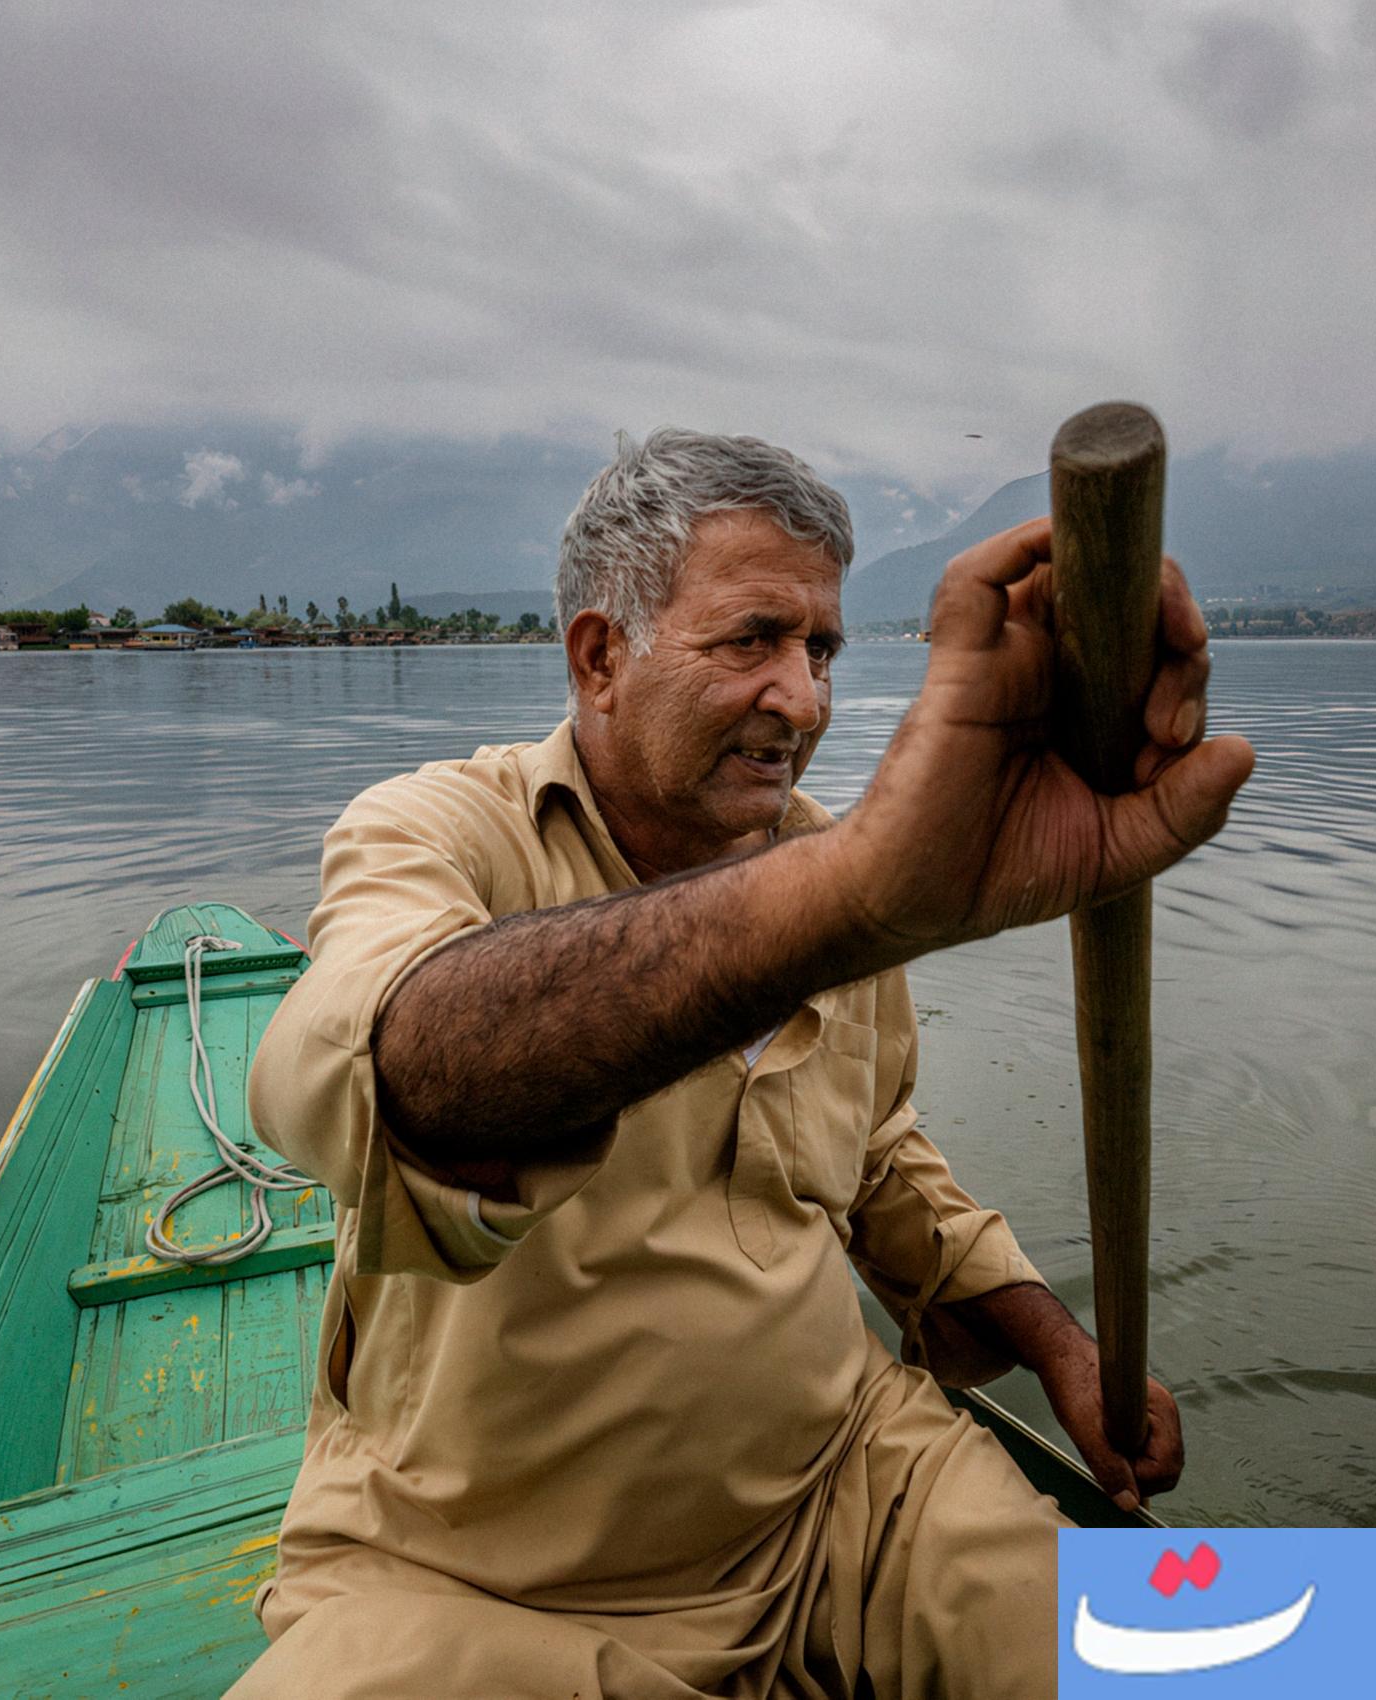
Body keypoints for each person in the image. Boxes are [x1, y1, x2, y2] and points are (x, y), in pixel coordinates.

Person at [228, 428, 1254, 1700]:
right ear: (601, 656)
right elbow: (376, 1075)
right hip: (477, 1572)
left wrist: (1058, 1347)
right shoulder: (440, 830)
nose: (805, 701)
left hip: (844, 1495)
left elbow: (879, 1158)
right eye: (753, 639)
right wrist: (851, 895)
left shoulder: (830, 865)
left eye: (820, 648)